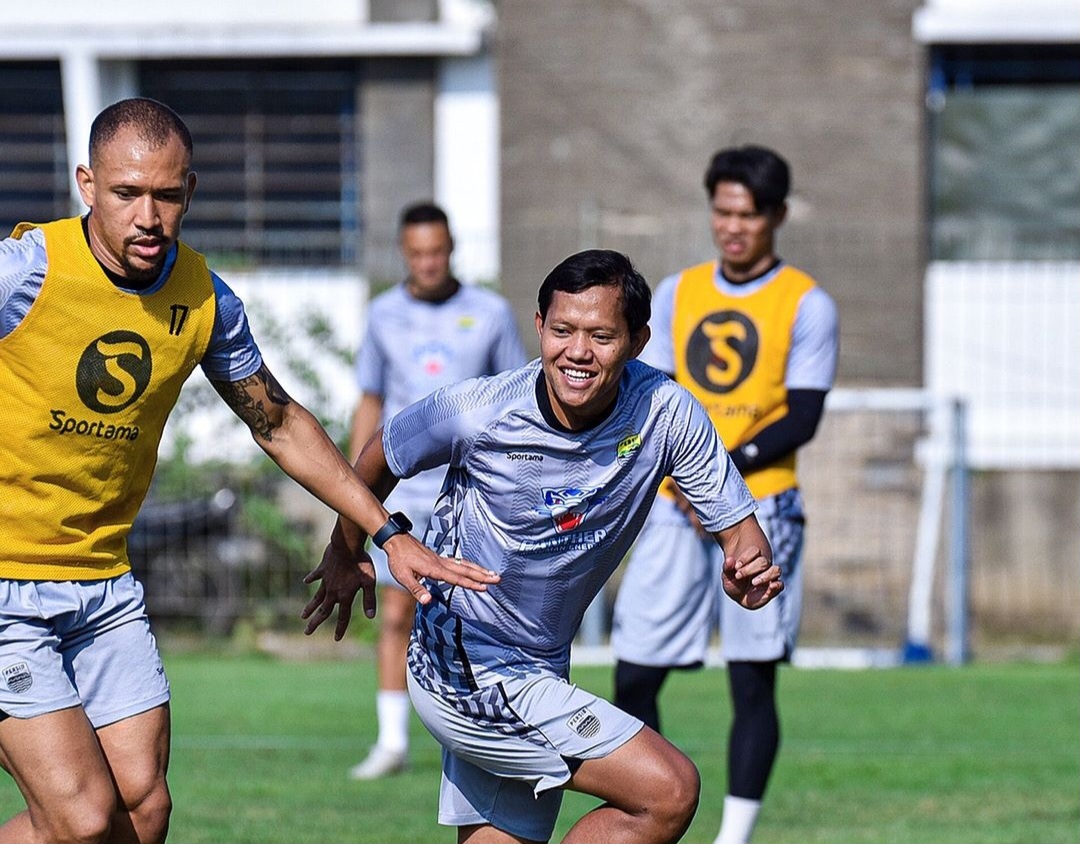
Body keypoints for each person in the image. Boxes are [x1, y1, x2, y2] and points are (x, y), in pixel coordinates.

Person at [0, 97, 496, 844]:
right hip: (7, 587)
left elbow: (279, 422)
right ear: (87, 185)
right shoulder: (24, 271)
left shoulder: (203, 298)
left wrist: (384, 532)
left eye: (166, 196)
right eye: (127, 193)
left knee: (142, 808)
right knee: (79, 819)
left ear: (190, 193)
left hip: (102, 583)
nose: (147, 216)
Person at [303, 248, 785, 844]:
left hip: (541, 665)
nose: (577, 352)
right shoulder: (482, 409)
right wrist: (347, 548)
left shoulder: (665, 411)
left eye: (602, 335)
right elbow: (380, 451)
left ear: (638, 340)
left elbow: (741, 533)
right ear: (539, 327)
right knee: (668, 790)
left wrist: (749, 571)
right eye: (562, 330)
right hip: (464, 665)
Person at [610, 145, 839, 844]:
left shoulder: (806, 301)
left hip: (763, 508)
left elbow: (802, 415)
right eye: (722, 211)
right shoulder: (679, 292)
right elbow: (648, 396)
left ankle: (732, 838)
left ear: (777, 216)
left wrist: (716, 473)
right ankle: (648, 809)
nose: (732, 227)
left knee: (751, 679)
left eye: (747, 215)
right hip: (674, 509)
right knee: (635, 674)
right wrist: (684, 475)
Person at [347, 201, 527, 780]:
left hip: (475, 493)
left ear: (452, 250)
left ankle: (493, 728)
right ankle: (393, 742)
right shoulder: (382, 315)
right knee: (398, 610)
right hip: (405, 493)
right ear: (405, 252)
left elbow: (520, 398)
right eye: (417, 253)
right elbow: (370, 401)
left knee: (484, 610)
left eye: (438, 252)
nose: (428, 263)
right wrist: (354, 484)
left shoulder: (492, 313)